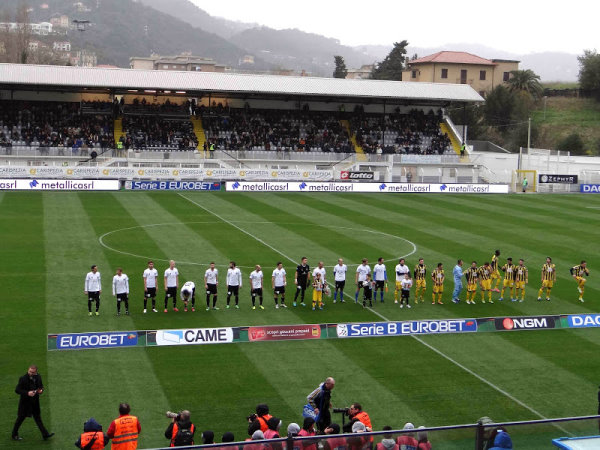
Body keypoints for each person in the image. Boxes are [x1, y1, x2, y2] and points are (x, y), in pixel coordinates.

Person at [12, 365, 54, 441]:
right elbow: (17, 390)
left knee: (38, 418)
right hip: (25, 403)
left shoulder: (38, 377)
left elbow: (40, 387)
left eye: (33, 372)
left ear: (36, 372)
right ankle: (14, 434)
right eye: (30, 371)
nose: (31, 373)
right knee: (20, 419)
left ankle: (45, 434)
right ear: (28, 370)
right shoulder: (23, 379)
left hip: (35, 403)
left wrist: (40, 391)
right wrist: (27, 393)